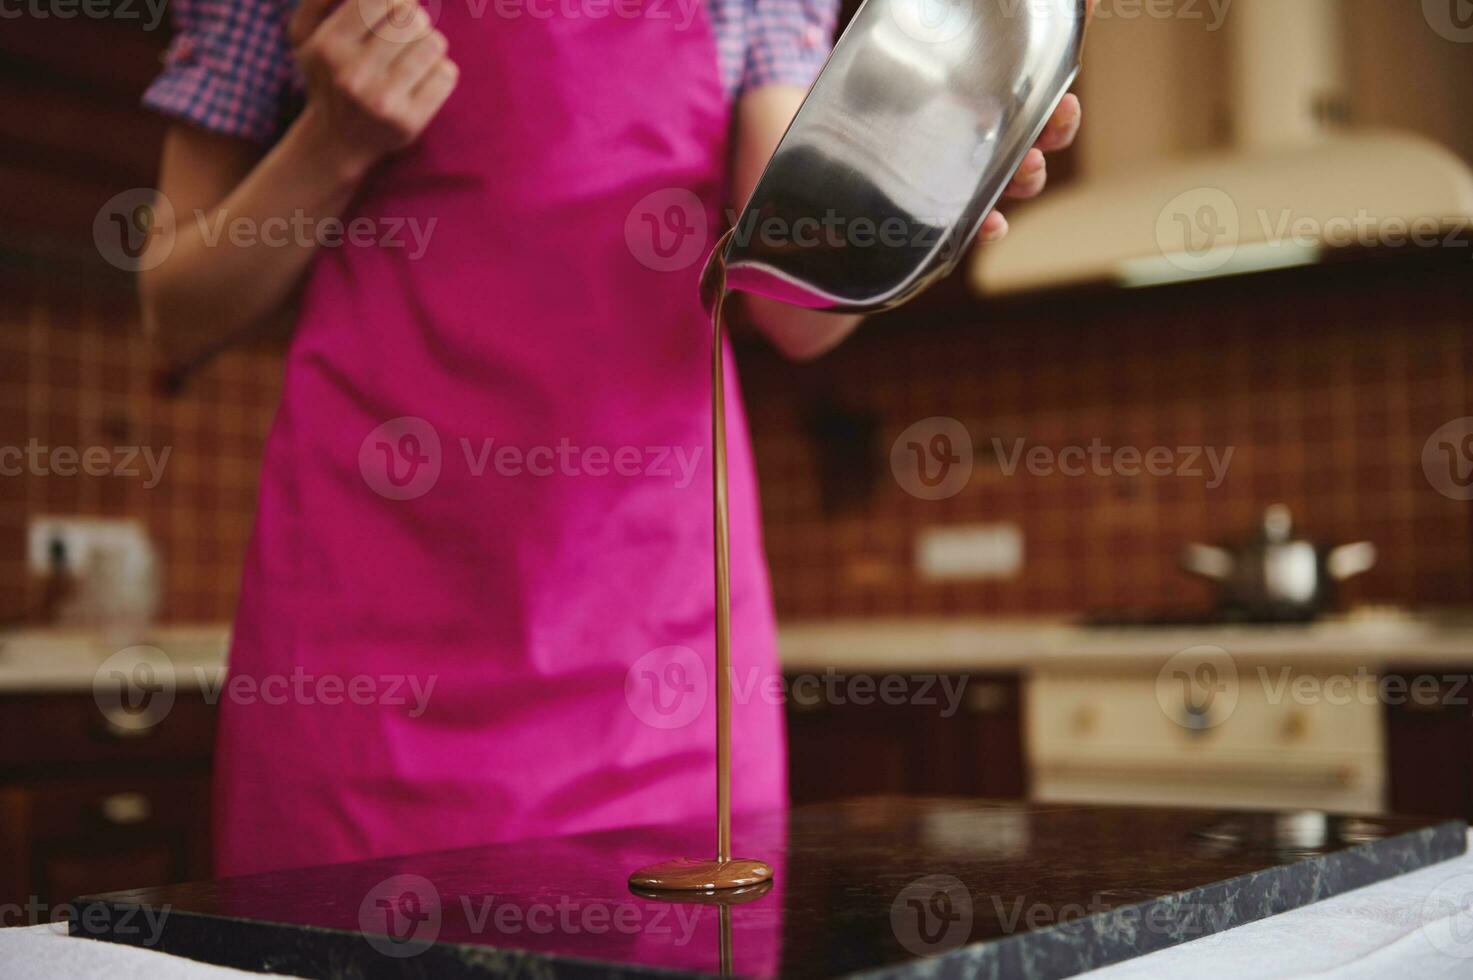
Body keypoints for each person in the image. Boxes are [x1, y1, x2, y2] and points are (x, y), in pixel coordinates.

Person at [140, 0, 1085, 875]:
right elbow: (174, 310)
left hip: (653, 653)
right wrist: (331, 142)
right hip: (362, 653)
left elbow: (795, 306)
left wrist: (921, 180)